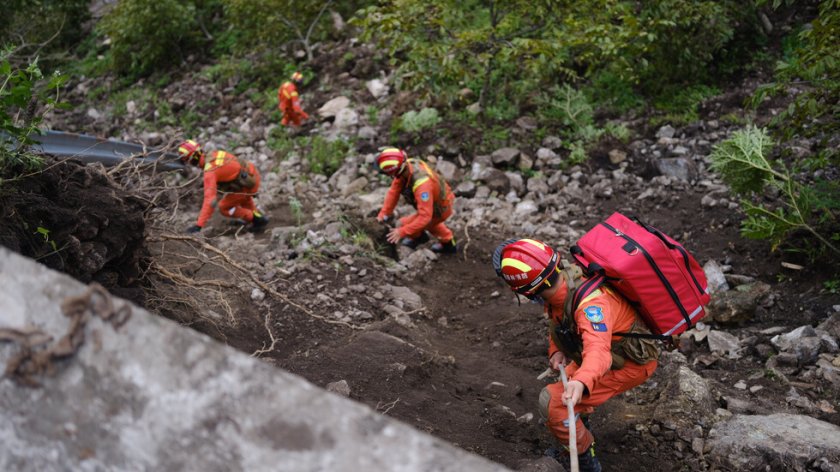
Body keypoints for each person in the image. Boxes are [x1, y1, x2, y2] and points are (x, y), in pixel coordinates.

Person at [493, 238, 661, 472]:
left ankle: (585, 459)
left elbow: (599, 352)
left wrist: (582, 381)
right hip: (604, 354)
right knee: (568, 391)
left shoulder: (591, 306)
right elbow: (560, 321)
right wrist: (557, 350)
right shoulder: (562, 285)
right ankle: (577, 424)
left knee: (553, 402)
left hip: (627, 363)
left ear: (529, 291)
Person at [375, 147, 457, 254]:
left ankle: (421, 237)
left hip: (441, 208)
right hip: (438, 201)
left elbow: (425, 217)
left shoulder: (422, 186)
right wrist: (384, 214)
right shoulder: (406, 166)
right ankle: (449, 243)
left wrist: (402, 232)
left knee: (403, 224)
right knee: (432, 224)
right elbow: (393, 192)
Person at [177, 139, 268, 233]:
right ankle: (258, 217)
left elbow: (210, 200)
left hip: (247, 185)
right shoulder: (215, 154)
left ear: (192, 159)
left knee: (224, 207)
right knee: (244, 199)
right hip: (251, 174)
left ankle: (256, 219)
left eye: (188, 161)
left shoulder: (210, 172)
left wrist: (198, 226)